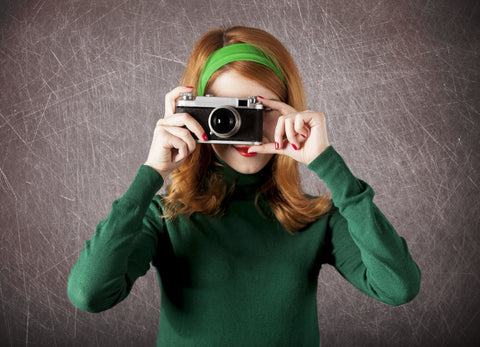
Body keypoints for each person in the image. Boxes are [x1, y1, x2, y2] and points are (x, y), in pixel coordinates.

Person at [68, 26, 421, 346]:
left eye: (259, 110)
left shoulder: (316, 219)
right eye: (224, 113)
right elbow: (89, 293)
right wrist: (153, 172)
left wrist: (326, 162)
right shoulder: (164, 218)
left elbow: (398, 287)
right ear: (192, 114)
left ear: (289, 111)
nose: (241, 127)